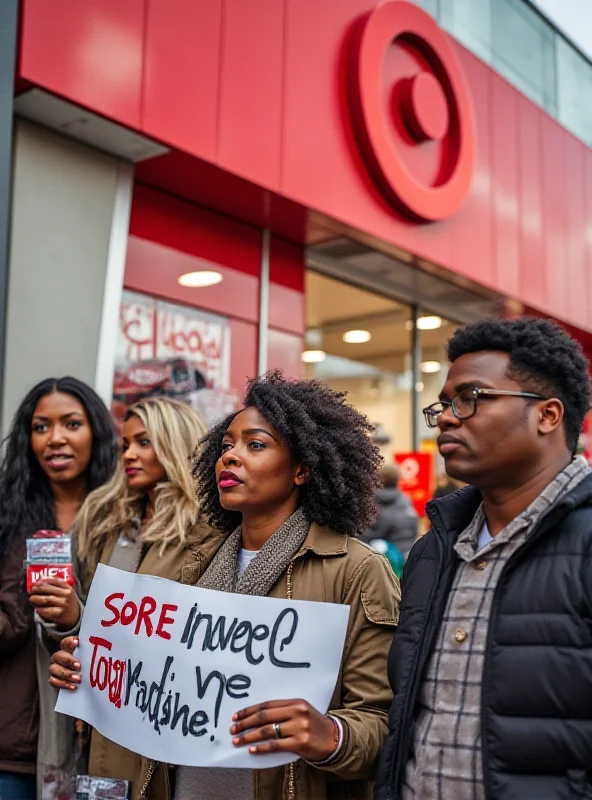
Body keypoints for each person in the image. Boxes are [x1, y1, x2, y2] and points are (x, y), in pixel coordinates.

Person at [53, 371, 401, 800]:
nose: (230, 458)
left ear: (303, 469)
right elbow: (158, 682)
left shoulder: (357, 571)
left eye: (255, 445)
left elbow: (384, 722)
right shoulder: (195, 566)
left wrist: (331, 735)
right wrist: (95, 669)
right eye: (225, 446)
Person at [374, 317, 592, 800]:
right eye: (445, 404)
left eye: (471, 398)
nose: (448, 417)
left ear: (548, 415)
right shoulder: (433, 550)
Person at [49, 397, 209, 797]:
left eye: (144, 442)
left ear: (175, 444)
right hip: (101, 729)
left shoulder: (209, 530)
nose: (130, 455)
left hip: (168, 728)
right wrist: (71, 624)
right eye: (125, 445)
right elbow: (100, 625)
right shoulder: (110, 522)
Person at [0, 377, 118, 800]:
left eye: (71, 424)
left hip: (105, 742)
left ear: (96, 431)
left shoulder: (125, 519)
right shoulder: (6, 517)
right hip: (12, 748)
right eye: (41, 427)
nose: (55, 439)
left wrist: (76, 616)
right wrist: (20, 602)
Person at [364, 465, 418, 557]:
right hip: (408, 555)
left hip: (390, 559)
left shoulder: (377, 502)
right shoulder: (406, 500)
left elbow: (372, 535)